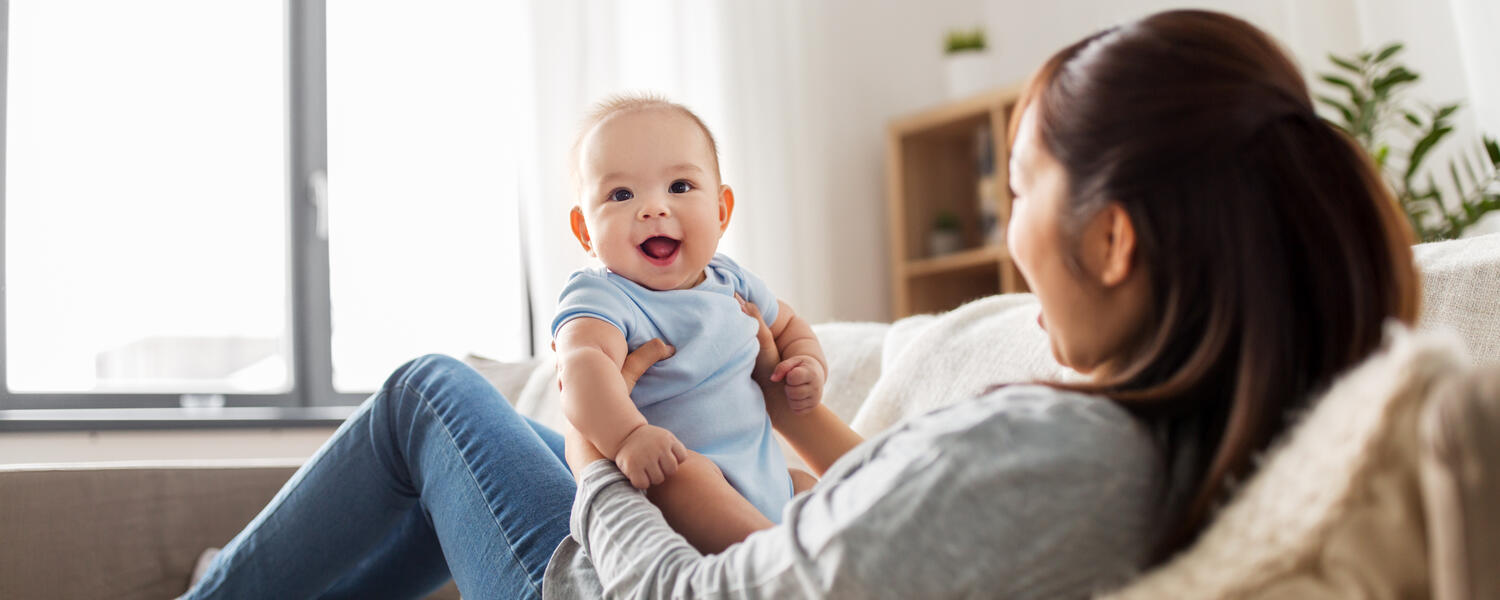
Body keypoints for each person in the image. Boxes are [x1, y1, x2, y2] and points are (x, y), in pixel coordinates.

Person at [182, 9, 1420, 599]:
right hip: (723, 514)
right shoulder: (1160, 435)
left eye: (1021, 181)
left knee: (428, 391)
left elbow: (712, 593)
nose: (1004, 228)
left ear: (1111, 238)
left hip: (618, 581)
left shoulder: (1062, 455)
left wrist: (603, 453)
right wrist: (798, 422)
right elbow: (900, 522)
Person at [551, 95, 827, 548]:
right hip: (672, 474)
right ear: (585, 232)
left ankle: (798, 547)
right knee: (686, 474)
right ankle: (777, 564)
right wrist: (629, 437)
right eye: (622, 195)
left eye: (679, 186)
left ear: (721, 212)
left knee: (805, 485)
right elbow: (581, 369)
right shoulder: (604, 295)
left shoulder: (730, 279)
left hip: (766, 481)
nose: (654, 208)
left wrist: (806, 363)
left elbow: (789, 326)